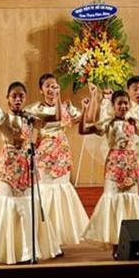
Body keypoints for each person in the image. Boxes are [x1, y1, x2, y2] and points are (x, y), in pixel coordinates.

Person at [0, 82, 61, 264]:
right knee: (9, 203)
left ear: (25, 98)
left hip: (26, 162)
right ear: (8, 98)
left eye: (21, 96)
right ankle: (9, 251)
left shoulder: (30, 117)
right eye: (14, 96)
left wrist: (57, 96)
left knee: (28, 204)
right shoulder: (2, 116)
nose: (17, 99)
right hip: (8, 163)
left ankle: (29, 251)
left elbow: (56, 117)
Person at [24, 73, 89, 249]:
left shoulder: (66, 106)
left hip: (61, 151)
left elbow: (79, 119)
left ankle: (59, 236)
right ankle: (45, 235)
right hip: (45, 150)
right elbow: (43, 122)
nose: (51, 89)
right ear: (41, 89)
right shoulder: (35, 108)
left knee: (61, 189)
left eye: (54, 86)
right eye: (48, 86)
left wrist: (85, 108)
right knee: (45, 189)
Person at [81, 87, 139, 246]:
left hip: (130, 165)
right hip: (114, 165)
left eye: (126, 103)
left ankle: (133, 238)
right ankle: (115, 240)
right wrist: (84, 110)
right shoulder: (108, 123)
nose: (123, 106)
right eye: (120, 103)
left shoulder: (133, 122)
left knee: (130, 199)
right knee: (113, 198)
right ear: (113, 105)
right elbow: (83, 130)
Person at [99, 75, 139, 217]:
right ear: (128, 91)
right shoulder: (124, 110)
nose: (138, 92)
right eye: (135, 89)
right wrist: (104, 99)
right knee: (134, 197)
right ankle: (135, 227)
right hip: (129, 162)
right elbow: (105, 119)